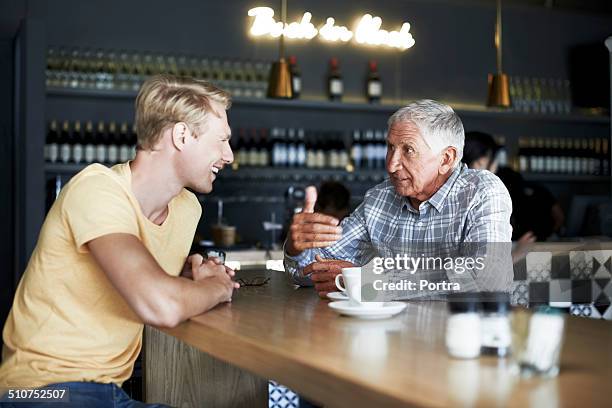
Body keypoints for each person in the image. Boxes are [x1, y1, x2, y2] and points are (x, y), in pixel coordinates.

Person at [0, 75, 239, 406]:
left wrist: (185, 279)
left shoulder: (186, 210)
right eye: (222, 140)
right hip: (42, 389)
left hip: (111, 392)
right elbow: (162, 305)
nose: (229, 155)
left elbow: (148, 287)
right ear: (182, 135)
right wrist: (217, 287)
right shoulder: (97, 188)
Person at [284, 100, 513, 298]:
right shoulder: (380, 198)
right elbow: (313, 270)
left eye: (408, 150)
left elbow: (487, 279)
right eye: (390, 147)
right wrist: (298, 247)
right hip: (394, 338)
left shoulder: (482, 190)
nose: (392, 164)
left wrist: (368, 281)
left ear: (445, 159)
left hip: (465, 339)